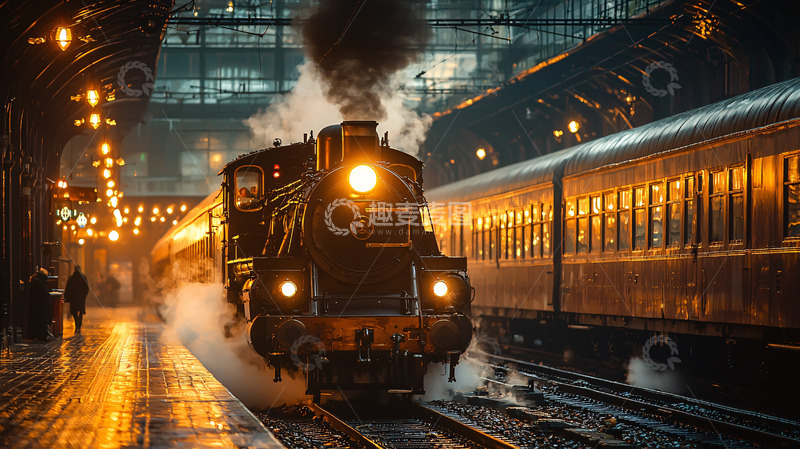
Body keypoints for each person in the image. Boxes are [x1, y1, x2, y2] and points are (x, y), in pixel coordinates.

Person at [28, 267, 52, 341]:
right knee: (42, 320)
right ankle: (42, 335)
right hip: (42, 305)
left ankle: (35, 335)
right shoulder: (41, 283)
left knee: (36, 320)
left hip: (34, 305)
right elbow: (45, 293)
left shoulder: (34, 281)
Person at [63, 265, 89, 333]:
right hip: (81, 299)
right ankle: (79, 326)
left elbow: (68, 289)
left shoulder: (71, 278)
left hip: (73, 299)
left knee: (74, 312)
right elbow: (86, 288)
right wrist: (84, 296)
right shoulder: (83, 278)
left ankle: (76, 323)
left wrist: (67, 297)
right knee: (80, 312)